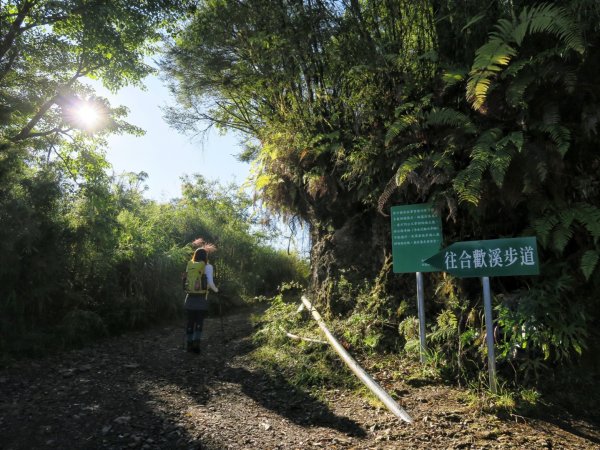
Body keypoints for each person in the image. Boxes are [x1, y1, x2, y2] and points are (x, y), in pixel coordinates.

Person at [183, 247, 218, 353]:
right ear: (205, 256)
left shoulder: (190, 265)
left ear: (195, 255)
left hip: (189, 298)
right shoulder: (208, 266)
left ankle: (189, 345)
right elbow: (211, 284)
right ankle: (196, 345)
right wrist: (217, 290)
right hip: (201, 299)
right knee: (199, 322)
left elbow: (187, 281)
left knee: (190, 322)